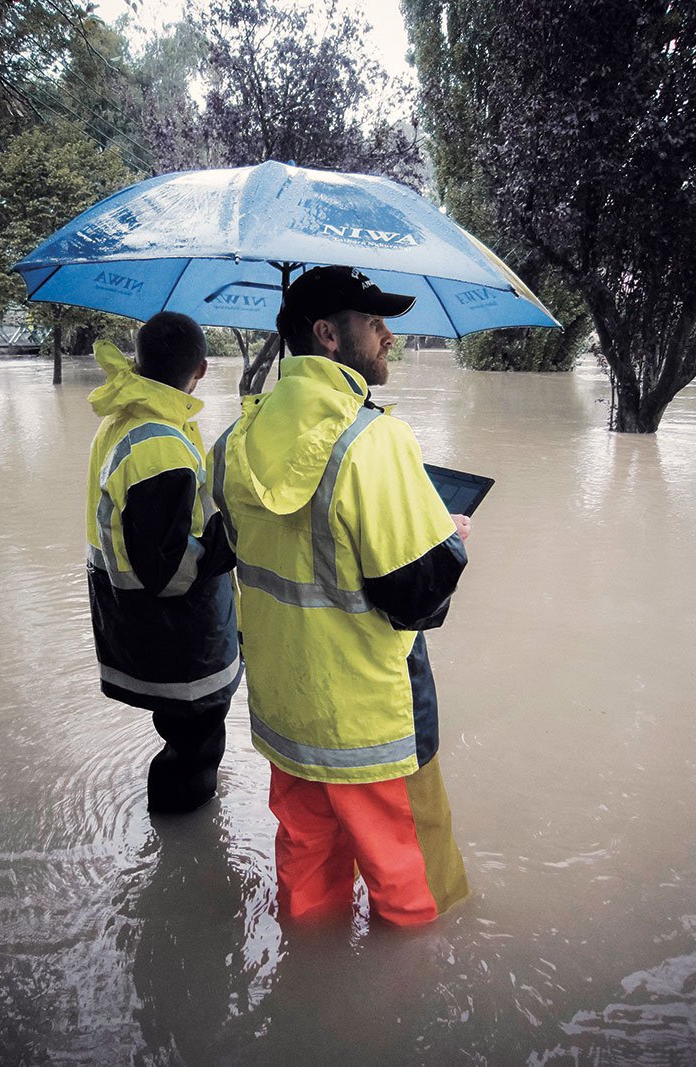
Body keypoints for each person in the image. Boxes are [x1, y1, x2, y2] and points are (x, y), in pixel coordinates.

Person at [208, 265, 471, 925]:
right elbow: (415, 598)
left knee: (309, 894)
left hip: (287, 718)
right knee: (413, 902)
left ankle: (310, 1003)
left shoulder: (234, 443)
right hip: (371, 727)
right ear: (327, 334)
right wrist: (452, 535)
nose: (388, 334)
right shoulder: (376, 441)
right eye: (373, 320)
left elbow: (245, 554)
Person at [85, 312, 242, 814]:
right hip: (176, 632)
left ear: (140, 361)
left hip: (135, 620)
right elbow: (171, 571)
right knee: (194, 747)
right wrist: (233, 535)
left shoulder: (128, 420)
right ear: (201, 368)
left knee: (180, 735)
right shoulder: (161, 445)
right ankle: (182, 842)